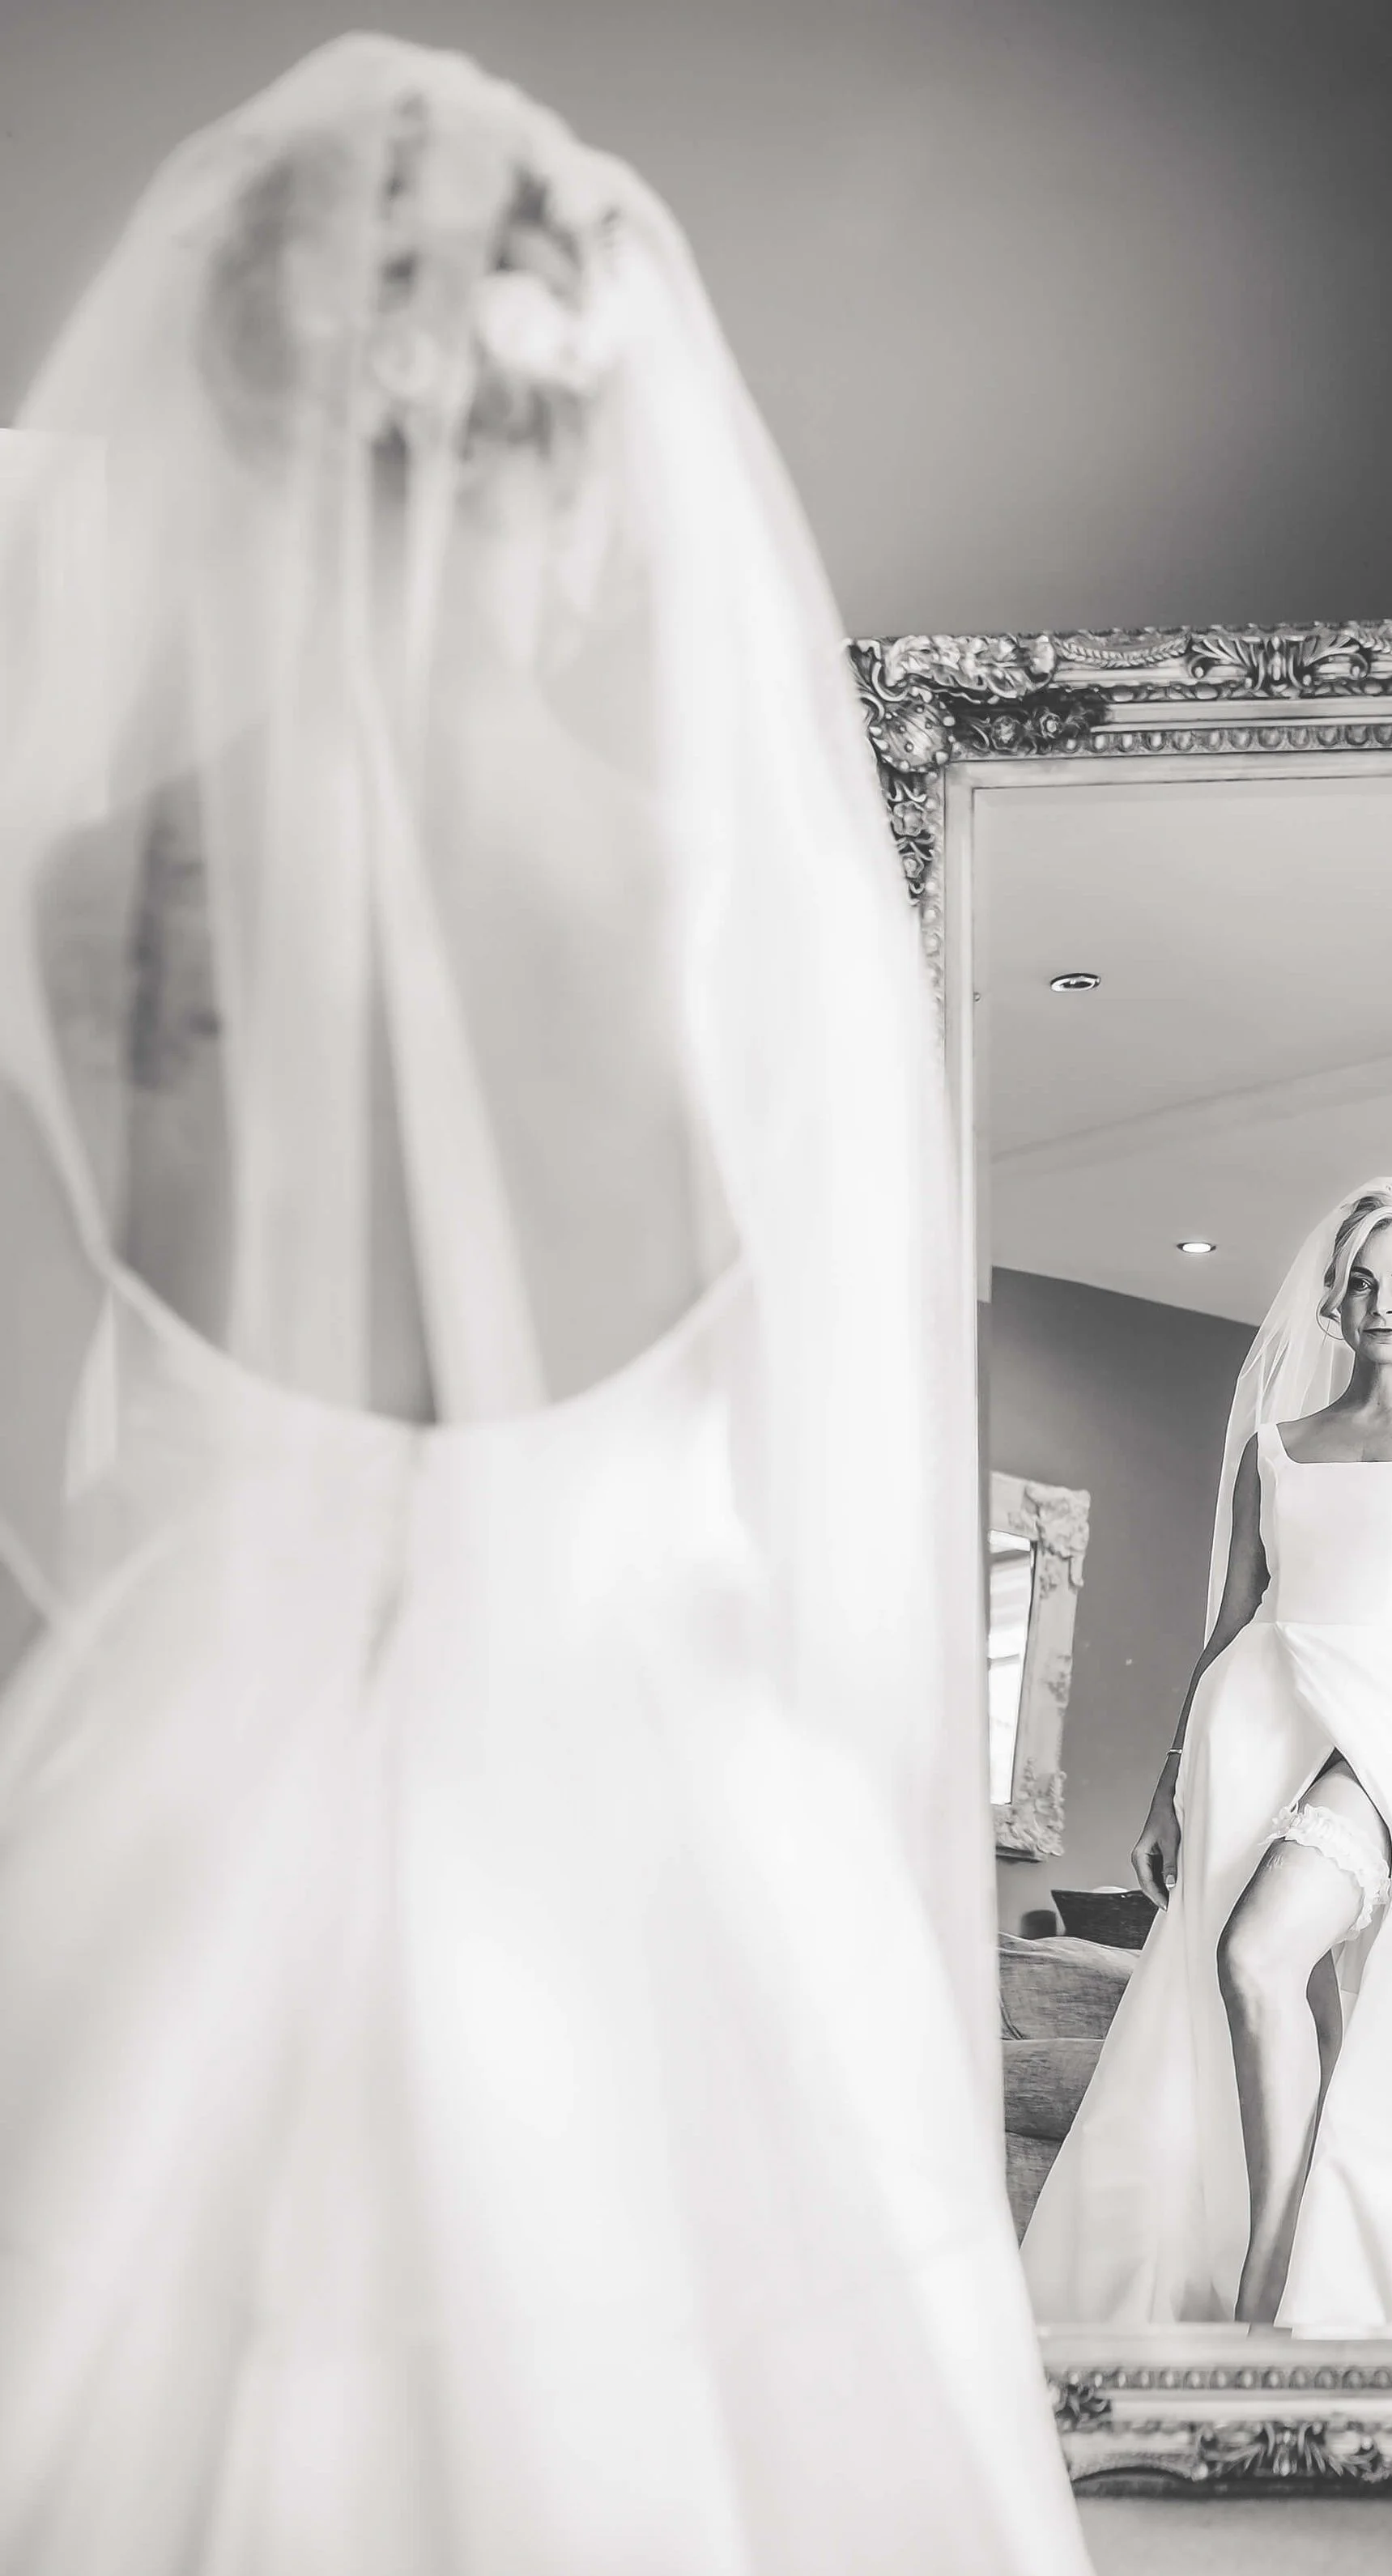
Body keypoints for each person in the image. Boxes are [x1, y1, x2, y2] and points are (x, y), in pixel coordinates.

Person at [0, 39, 1088, 2574]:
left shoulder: (79, 912)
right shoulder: (741, 916)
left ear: (238, 437)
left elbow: (34, 1508)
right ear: (597, 462)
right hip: (663, 1849)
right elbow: (838, 1514)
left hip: (164, 1836)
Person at [1020, 1180, 1392, 2336]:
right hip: (1258, 1726)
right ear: (1332, 1300)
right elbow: (1232, 1620)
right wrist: (1166, 1786)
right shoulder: (1276, 1449)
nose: (1383, 1301)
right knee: (1309, 1997)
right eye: (1362, 1281)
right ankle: (1310, 2270)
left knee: (1255, 1955)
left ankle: (1275, 2260)